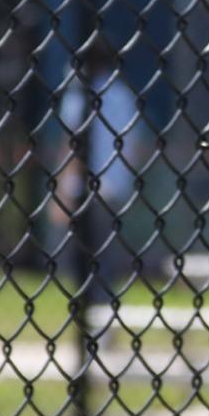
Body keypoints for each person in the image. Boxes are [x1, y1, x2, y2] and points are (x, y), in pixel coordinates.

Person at [54, 37, 143, 305]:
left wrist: (62, 188)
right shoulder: (124, 95)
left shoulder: (79, 93)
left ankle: (90, 308)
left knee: (80, 252)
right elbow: (135, 145)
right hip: (116, 183)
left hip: (84, 185)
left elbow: (73, 145)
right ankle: (103, 308)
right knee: (106, 253)